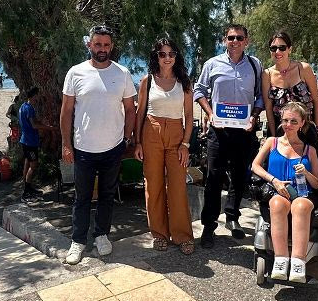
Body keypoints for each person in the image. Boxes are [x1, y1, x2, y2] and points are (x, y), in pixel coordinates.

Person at [60, 24, 137, 265]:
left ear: (111, 47)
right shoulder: (75, 73)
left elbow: (130, 109)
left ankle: (101, 235)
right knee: (82, 197)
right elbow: (66, 111)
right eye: (97, 44)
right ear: (89, 45)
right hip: (83, 149)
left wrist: (127, 138)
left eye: (106, 45)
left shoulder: (122, 73)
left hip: (113, 148)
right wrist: (66, 144)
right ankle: (78, 241)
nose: (102, 49)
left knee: (106, 195)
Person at [193, 24, 264, 248]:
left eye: (239, 38)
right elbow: (198, 90)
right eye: (231, 37)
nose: (235, 41)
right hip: (218, 131)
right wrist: (210, 114)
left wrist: (254, 116)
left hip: (244, 131)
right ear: (225, 40)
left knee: (240, 176)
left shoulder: (255, 65)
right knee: (213, 178)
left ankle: (233, 217)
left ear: (246, 41)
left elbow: (260, 96)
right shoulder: (212, 64)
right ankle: (209, 226)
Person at [133, 37, 195, 254]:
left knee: (178, 186)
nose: (167, 58)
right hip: (151, 133)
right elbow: (140, 113)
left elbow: (189, 115)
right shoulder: (147, 81)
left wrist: (185, 144)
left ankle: (183, 236)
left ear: (176, 56)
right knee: (154, 185)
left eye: (171, 54)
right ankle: (159, 234)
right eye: (162, 54)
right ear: (156, 57)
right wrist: (137, 142)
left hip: (177, 135)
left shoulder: (184, 82)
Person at [251, 102, 318, 282]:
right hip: (278, 192)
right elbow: (255, 166)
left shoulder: (310, 150)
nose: (288, 125)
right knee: (277, 204)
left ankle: (298, 262)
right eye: (285, 120)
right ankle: (281, 260)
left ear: (302, 123)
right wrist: (274, 181)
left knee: (300, 206)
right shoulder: (272, 142)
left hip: (304, 194)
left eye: (293, 121)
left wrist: (306, 173)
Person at [262, 31, 318, 160]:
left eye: (282, 48)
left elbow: (316, 101)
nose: (277, 51)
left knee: (311, 166)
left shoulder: (303, 69)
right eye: (273, 48)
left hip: (306, 130)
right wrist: (273, 137)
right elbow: (268, 108)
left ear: (289, 49)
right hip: (282, 131)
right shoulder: (267, 75)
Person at [19, 87, 52, 200]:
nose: (38, 98)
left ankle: (27, 187)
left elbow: (31, 122)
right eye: (37, 95)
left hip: (25, 140)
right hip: (30, 142)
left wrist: (41, 123)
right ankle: (26, 191)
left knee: (27, 164)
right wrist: (49, 128)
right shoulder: (29, 108)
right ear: (34, 96)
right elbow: (34, 125)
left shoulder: (23, 106)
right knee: (33, 166)